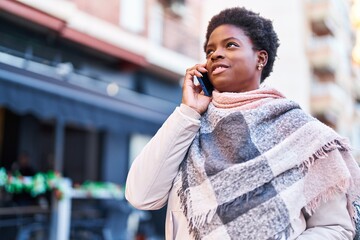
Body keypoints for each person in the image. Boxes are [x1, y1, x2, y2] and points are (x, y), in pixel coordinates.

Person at [125, 7, 360, 240]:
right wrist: (188, 112)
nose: (215, 54)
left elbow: (335, 227)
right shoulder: (188, 127)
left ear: (260, 58)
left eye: (230, 45)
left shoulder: (305, 136)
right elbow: (141, 195)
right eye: (209, 51)